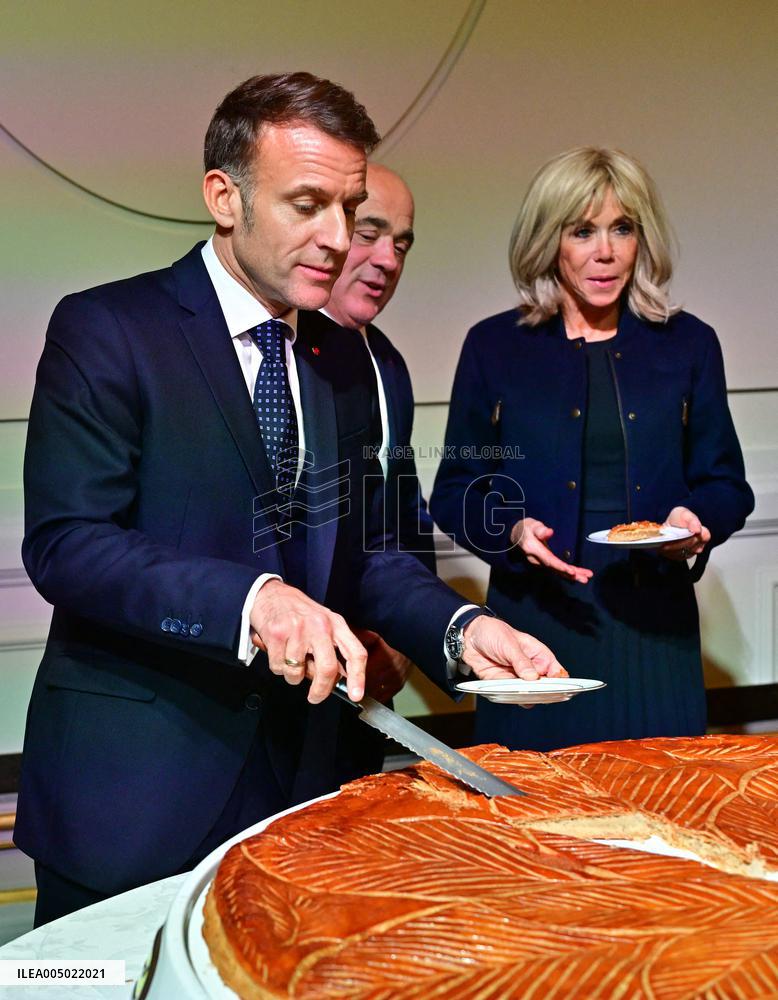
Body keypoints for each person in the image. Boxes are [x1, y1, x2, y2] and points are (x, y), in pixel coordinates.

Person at [16, 72, 566, 925]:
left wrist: (462, 630)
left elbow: (374, 550)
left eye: (349, 207)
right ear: (223, 197)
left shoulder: (342, 360)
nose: (339, 237)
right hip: (133, 795)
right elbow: (69, 544)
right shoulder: (108, 330)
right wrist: (255, 601)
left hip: (300, 796)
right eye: (307, 204)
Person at [430, 146, 754, 754]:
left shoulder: (690, 345)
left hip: (654, 631)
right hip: (535, 629)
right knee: (535, 828)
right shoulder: (494, 347)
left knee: (660, 817)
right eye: (583, 231)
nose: (605, 252)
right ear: (550, 241)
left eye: (622, 229)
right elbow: (455, 490)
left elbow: (726, 484)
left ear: (642, 238)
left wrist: (696, 520)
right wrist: (512, 528)